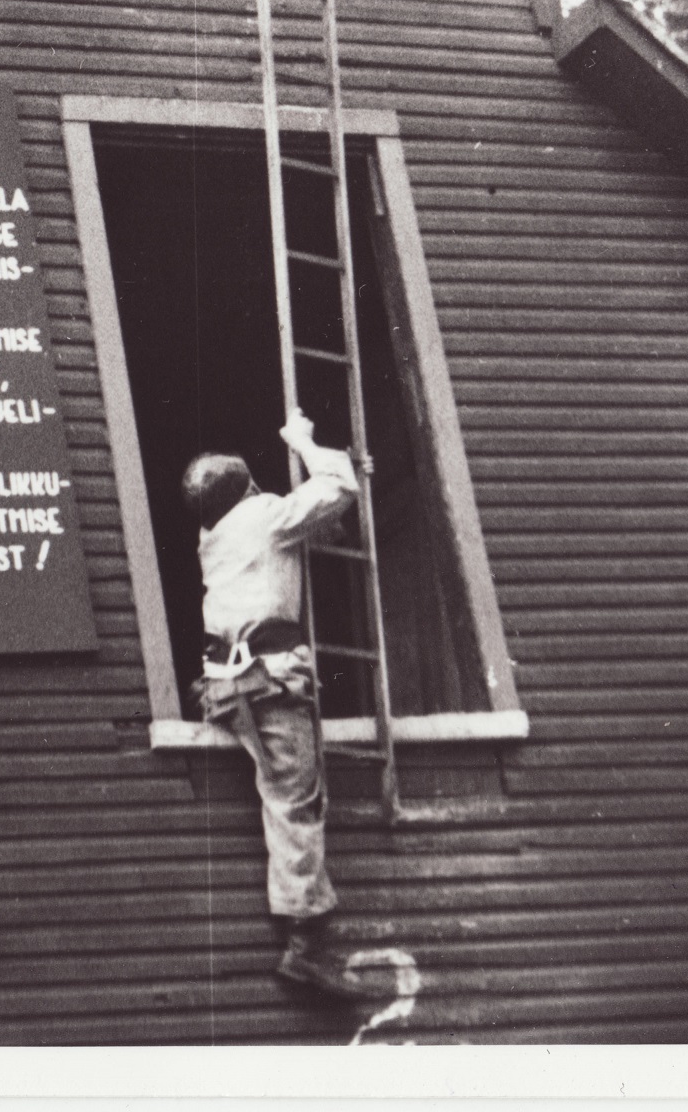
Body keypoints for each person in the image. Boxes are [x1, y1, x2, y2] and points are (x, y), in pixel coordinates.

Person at [183, 412, 383, 1000]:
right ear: (248, 488)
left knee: (281, 797)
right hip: (267, 684)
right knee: (295, 801)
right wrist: (304, 443)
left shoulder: (216, 537)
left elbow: (313, 533)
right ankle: (306, 947)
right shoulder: (266, 517)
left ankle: (304, 937)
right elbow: (338, 490)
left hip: (226, 685)